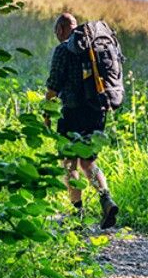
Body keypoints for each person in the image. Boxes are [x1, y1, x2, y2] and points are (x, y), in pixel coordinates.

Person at [45, 12, 118, 229]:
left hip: (72, 112)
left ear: (59, 30)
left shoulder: (62, 50)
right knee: (88, 161)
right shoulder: (93, 48)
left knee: (70, 163)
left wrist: (47, 114)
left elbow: (53, 87)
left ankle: (77, 213)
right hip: (98, 112)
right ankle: (106, 198)